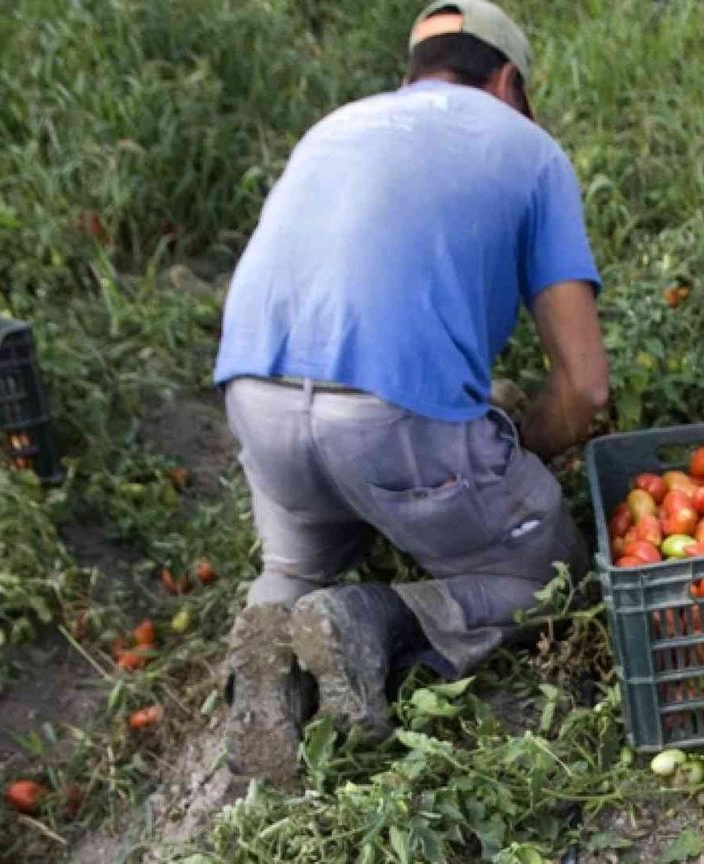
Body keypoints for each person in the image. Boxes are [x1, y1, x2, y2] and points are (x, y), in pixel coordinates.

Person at [210, 0, 608, 780]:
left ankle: (274, 623)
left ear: (416, 71)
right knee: (551, 574)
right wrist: (523, 444)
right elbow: (586, 387)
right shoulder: (528, 148)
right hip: (390, 421)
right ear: (508, 83)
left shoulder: (334, 127)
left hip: (255, 399)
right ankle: (373, 617)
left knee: (298, 558)